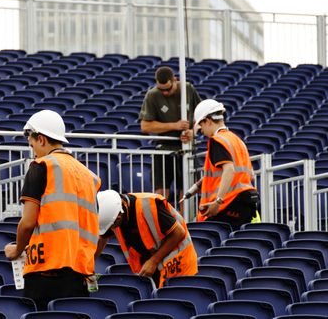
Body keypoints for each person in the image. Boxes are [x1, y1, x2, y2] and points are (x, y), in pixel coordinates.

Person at [4, 109, 101, 311]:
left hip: (46, 269)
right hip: (80, 272)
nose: (33, 151)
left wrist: (17, 249)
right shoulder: (89, 176)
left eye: (32, 145)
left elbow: (28, 222)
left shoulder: (41, 166)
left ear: (40, 139)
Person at [96, 189, 197, 288]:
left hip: (178, 265)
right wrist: (89, 267)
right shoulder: (113, 214)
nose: (112, 229)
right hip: (153, 268)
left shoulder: (149, 205)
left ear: (118, 217)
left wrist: (153, 261)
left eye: (112, 226)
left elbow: (179, 233)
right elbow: (102, 237)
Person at [193, 99, 259, 230]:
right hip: (246, 202)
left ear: (208, 121)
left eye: (201, 127)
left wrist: (218, 201)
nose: (203, 133)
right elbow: (250, 175)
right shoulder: (237, 140)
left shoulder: (216, 140)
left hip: (227, 205)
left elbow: (229, 170)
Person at [139, 66, 202, 203]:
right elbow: (145, 126)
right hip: (164, 148)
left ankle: (185, 221)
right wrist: (175, 125)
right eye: (162, 90)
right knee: (161, 191)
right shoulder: (152, 95)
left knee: (186, 191)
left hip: (187, 147)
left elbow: (202, 116)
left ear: (175, 80)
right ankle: (160, 221)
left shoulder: (188, 89)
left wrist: (193, 131)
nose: (165, 93)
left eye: (168, 89)